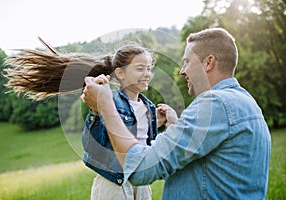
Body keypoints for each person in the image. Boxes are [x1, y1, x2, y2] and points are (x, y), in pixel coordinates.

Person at [80, 27, 271, 199]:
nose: (182, 71)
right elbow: (204, 160)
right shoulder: (246, 103)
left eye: (187, 62)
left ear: (208, 63)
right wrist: (174, 125)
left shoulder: (215, 105)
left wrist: (105, 106)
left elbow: (139, 168)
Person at [4, 42, 177, 199]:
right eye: (140, 68)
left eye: (149, 69)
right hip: (114, 183)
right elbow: (93, 145)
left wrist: (159, 121)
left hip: (141, 181)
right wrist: (96, 110)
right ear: (120, 73)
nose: (147, 74)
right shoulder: (109, 100)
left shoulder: (149, 106)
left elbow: (141, 140)